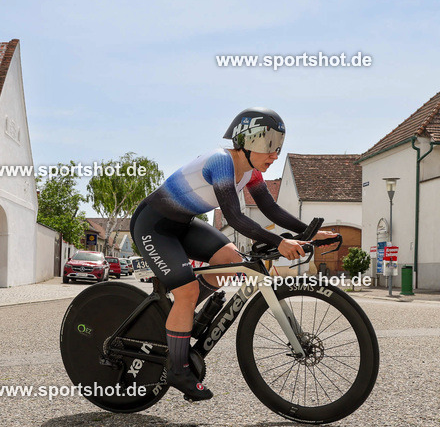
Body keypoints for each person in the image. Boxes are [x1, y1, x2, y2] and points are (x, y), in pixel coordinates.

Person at [130, 108, 337, 401]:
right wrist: (279, 242)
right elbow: (236, 217)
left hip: (184, 224)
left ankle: (182, 316)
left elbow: (271, 209)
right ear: (246, 141)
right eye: (268, 145)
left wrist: (310, 232)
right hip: (154, 226)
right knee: (187, 291)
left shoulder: (251, 172)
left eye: (278, 146)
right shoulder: (221, 162)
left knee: (230, 260)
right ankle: (178, 368)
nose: (274, 154)